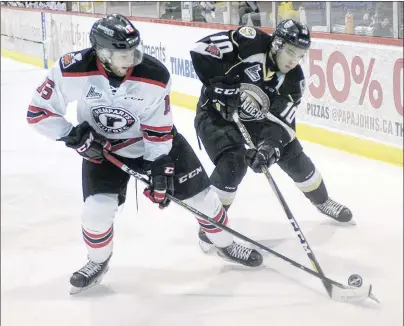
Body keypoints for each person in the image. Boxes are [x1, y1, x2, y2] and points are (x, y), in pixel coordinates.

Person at [27, 14, 263, 294]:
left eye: (133, 51)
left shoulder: (154, 74)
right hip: (103, 150)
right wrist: (71, 134)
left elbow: (159, 130)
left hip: (154, 143)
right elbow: (38, 112)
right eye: (122, 54)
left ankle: (224, 244)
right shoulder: (71, 69)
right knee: (95, 212)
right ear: (102, 53)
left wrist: (159, 168)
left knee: (204, 199)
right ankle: (97, 262)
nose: (131, 59)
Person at [190, 20, 354, 253]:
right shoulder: (250, 42)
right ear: (276, 44)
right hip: (214, 115)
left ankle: (322, 200)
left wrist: (269, 147)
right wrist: (218, 86)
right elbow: (201, 50)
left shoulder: (293, 81)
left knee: (291, 152)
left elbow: (283, 126)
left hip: (255, 120)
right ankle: (211, 230)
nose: (293, 60)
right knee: (233, 162)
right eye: (289, 51)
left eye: (299, 55)